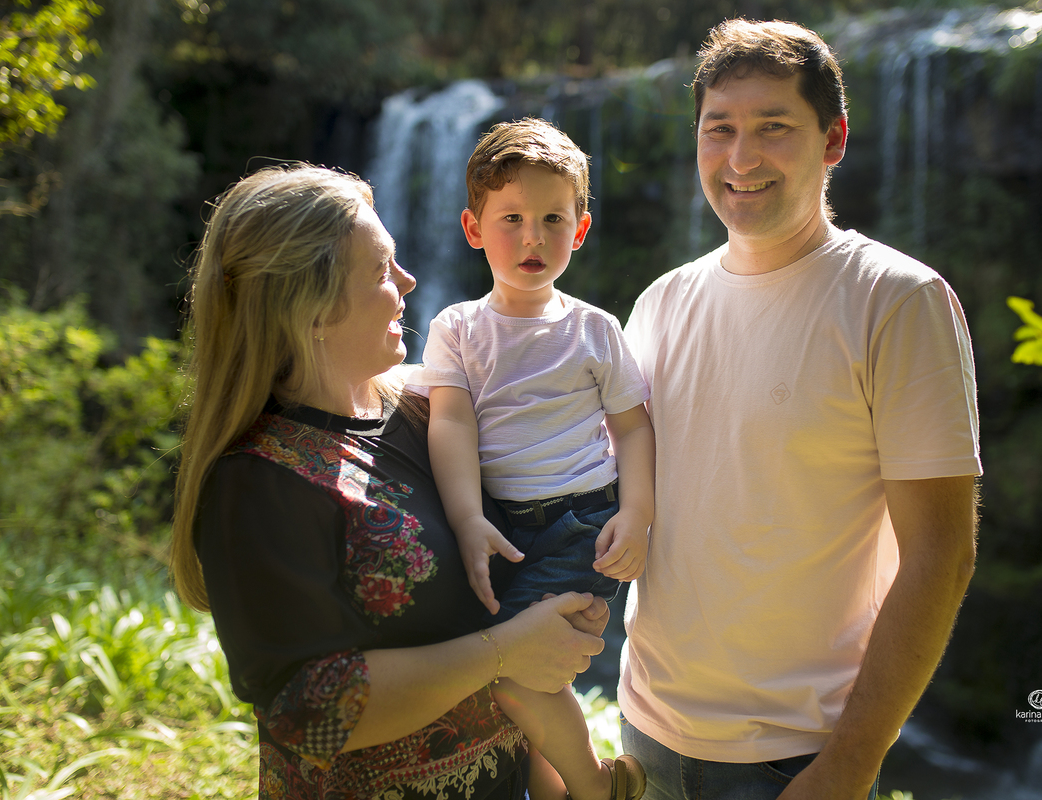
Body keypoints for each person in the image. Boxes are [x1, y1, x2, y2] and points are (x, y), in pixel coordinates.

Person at [618, 19, 982, 800]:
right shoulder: (657, 305)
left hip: (795, 760)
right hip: (644, 736)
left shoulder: (898, 302)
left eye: (773, 128)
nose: (741, 159)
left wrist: (850, 762)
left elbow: (941, 556)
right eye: (720, 131)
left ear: (834, 139)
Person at [168, 163, 613, 800]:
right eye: (380, 269)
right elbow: (308, 710)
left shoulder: (432, 413)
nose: (408, 282)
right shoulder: (258, 482)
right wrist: (505, 653)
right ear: (312, 308)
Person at [409, 118, 654, 800]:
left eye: (552, 219)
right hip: (497, 525)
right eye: (511, 218)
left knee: (517, 675)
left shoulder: (594, 329)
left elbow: (633, 430)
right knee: (502, 679)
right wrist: (465, 519)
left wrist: (637, 514)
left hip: (580, 525)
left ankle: (595, 789)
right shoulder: (456, 327)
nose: (532, 238)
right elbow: (452, 422)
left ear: (579, 230)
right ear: (473, 227)